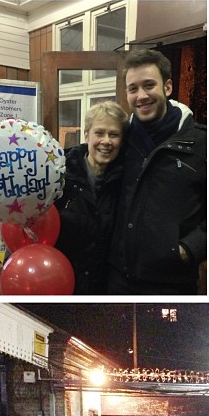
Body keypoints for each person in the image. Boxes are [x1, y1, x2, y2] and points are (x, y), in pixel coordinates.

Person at [107, 48, 206, 295]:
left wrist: (188, 249)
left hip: (173, 284)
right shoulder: (118, 142)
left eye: (149, 85)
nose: (141, 96)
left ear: (168, 87)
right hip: (117, 280)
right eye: (133, 88)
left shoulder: (201, 143)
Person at [54, 101, 128, 294]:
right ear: (86, 135)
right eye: (99, 133)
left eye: (114, 134)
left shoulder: (127, 181)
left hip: (106, 290)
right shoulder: (57, 174)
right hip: (62, 284)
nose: (106, 141)